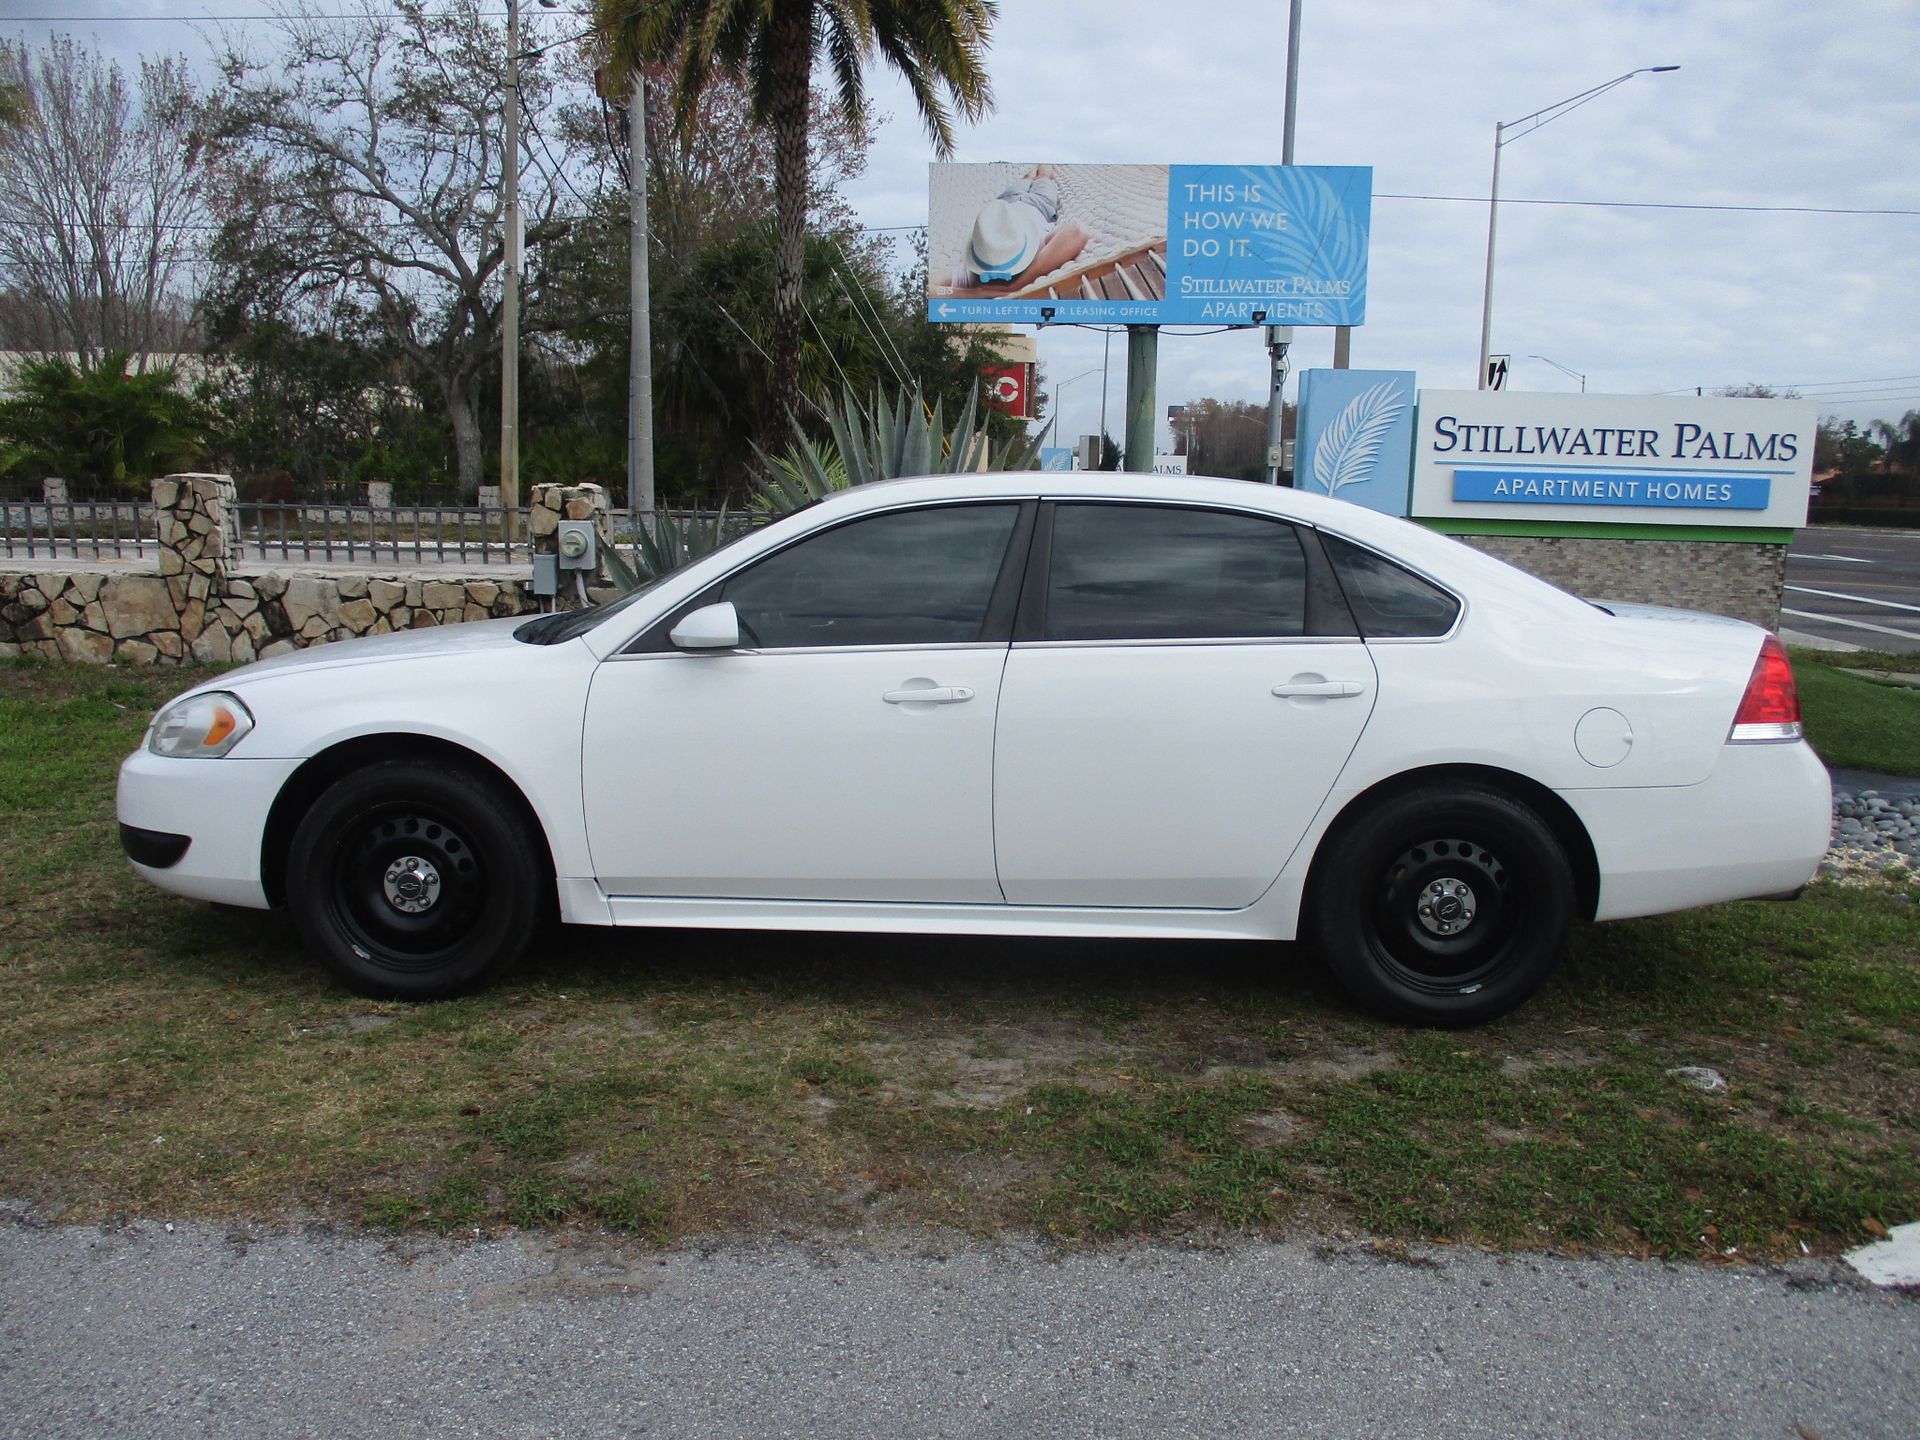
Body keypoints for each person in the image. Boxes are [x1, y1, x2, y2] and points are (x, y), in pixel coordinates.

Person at [955, 165, 1089, 295]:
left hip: (1006, 203)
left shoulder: (974, 269)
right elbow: (1078, 231)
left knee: (1027, 177)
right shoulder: (1036, 249)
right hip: (1039, 203)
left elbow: (933, 286)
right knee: (1044, 175)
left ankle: (1033, 166)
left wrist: (975, 293)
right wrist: (1017, 285)